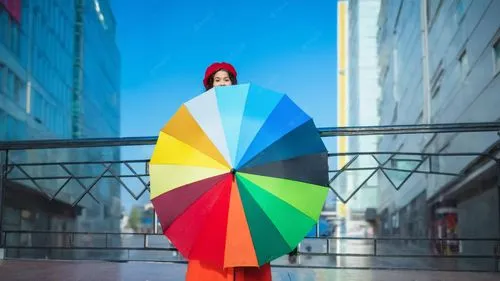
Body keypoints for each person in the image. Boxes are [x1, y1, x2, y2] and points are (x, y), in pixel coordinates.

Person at [185, 62, 273, 281]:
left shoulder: (247, 113)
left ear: (233, 83)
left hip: (244, 181)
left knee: (247, 238)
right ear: (209, 86)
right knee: (211, 239)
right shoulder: (199, 115)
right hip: (213, 183)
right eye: (217, 80)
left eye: (227, 79)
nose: (222, 84)